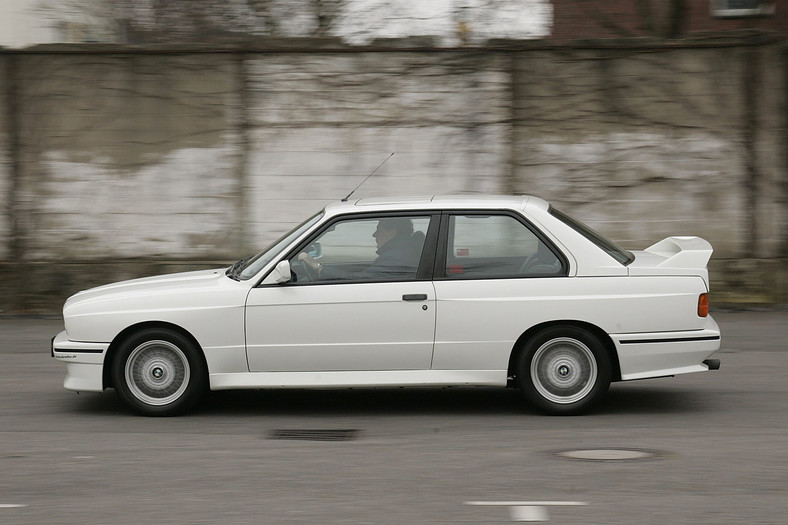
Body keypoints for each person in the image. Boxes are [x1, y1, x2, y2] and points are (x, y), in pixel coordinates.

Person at [298, 218, 424, 281]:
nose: (374, 235)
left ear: (392, 232)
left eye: (379, 230)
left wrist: (318, 267)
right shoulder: (401, 252)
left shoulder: (396, 258)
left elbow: (358, 280)